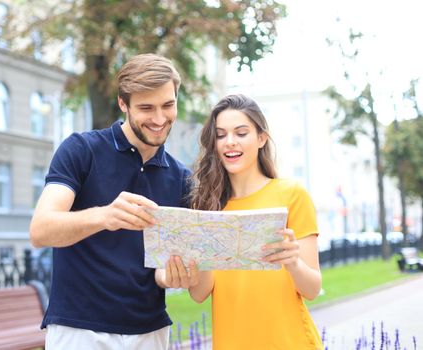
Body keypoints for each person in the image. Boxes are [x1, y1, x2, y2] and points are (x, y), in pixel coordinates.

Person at [29, 53, 192, 350]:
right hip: (80, 329)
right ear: (122, 103)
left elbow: (160, 269)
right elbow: (41, 230)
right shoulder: (81, 150)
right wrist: (105, 216)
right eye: (146, 108)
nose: (159, 119)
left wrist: (170, 276)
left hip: (150, 331)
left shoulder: (182, 178)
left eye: (168, 105)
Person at [180, 94, 323, 349]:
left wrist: (293, 263)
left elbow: (312, 289)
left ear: (261, 138)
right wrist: (202, 253)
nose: (230, 142)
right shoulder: (207, 208)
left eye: (241, 133)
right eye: (221, 135)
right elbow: (199, 294)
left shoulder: (291, 195)